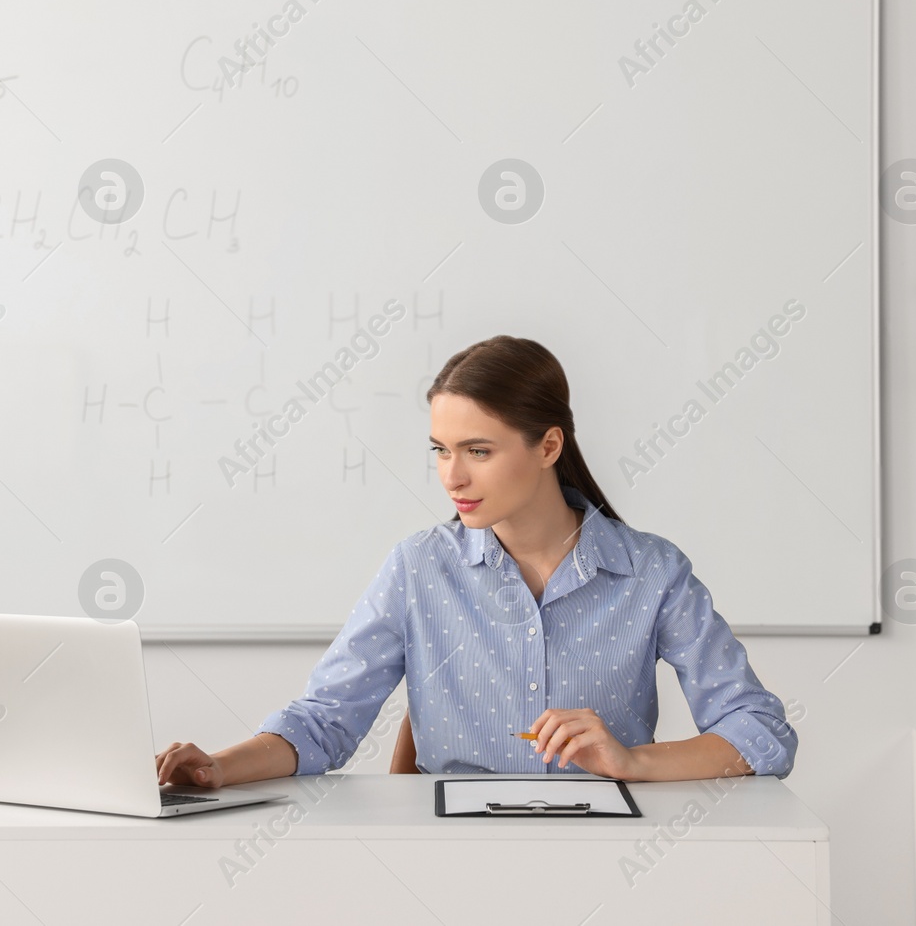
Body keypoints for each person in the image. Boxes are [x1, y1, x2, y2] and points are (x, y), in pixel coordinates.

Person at [155, 335, 797, 787]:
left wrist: (633, 761)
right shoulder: (417, 569)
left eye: (478, 451)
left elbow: (762, 731)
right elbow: (323, 723)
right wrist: (217, 764)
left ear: (549, 446)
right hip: (451, 858)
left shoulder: (651, 573)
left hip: (606, 855)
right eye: (440, 449)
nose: (451, 476)